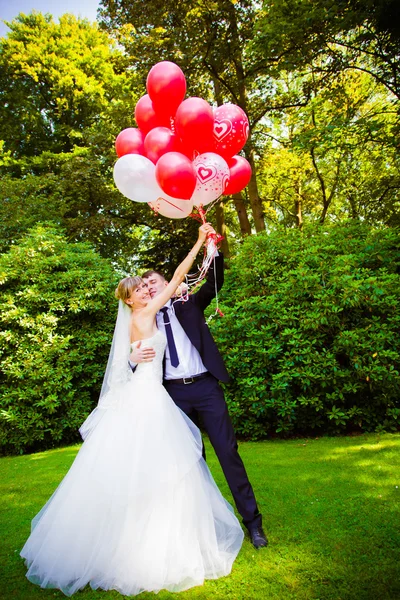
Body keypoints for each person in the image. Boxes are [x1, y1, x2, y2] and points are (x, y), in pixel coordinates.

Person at [20, 223, 244, 597]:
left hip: (153, 395)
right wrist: (198, 242)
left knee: (162, 467)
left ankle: (161, 532)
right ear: (131, 300)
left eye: (146, 285)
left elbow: (130, 349)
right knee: (166, 466)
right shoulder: (146, 313)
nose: (146, 289)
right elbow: (171, 282)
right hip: (150, 399)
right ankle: (145, 541)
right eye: (140, 289)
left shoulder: (147, 315)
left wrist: (131, 354)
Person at [130, 231, 268, 550]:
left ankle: (253, 523)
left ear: (167, 283)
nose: (151, 288)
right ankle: (203, 527)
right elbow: (137, 358)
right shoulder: (145, 319)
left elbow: (215, 281)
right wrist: (132, 356)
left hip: (206, 388)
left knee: (228, 452)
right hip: (173, 396)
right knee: (190, 463)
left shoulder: (190, 302)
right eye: (146, 285)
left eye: (155, 282)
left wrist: (212, 249)